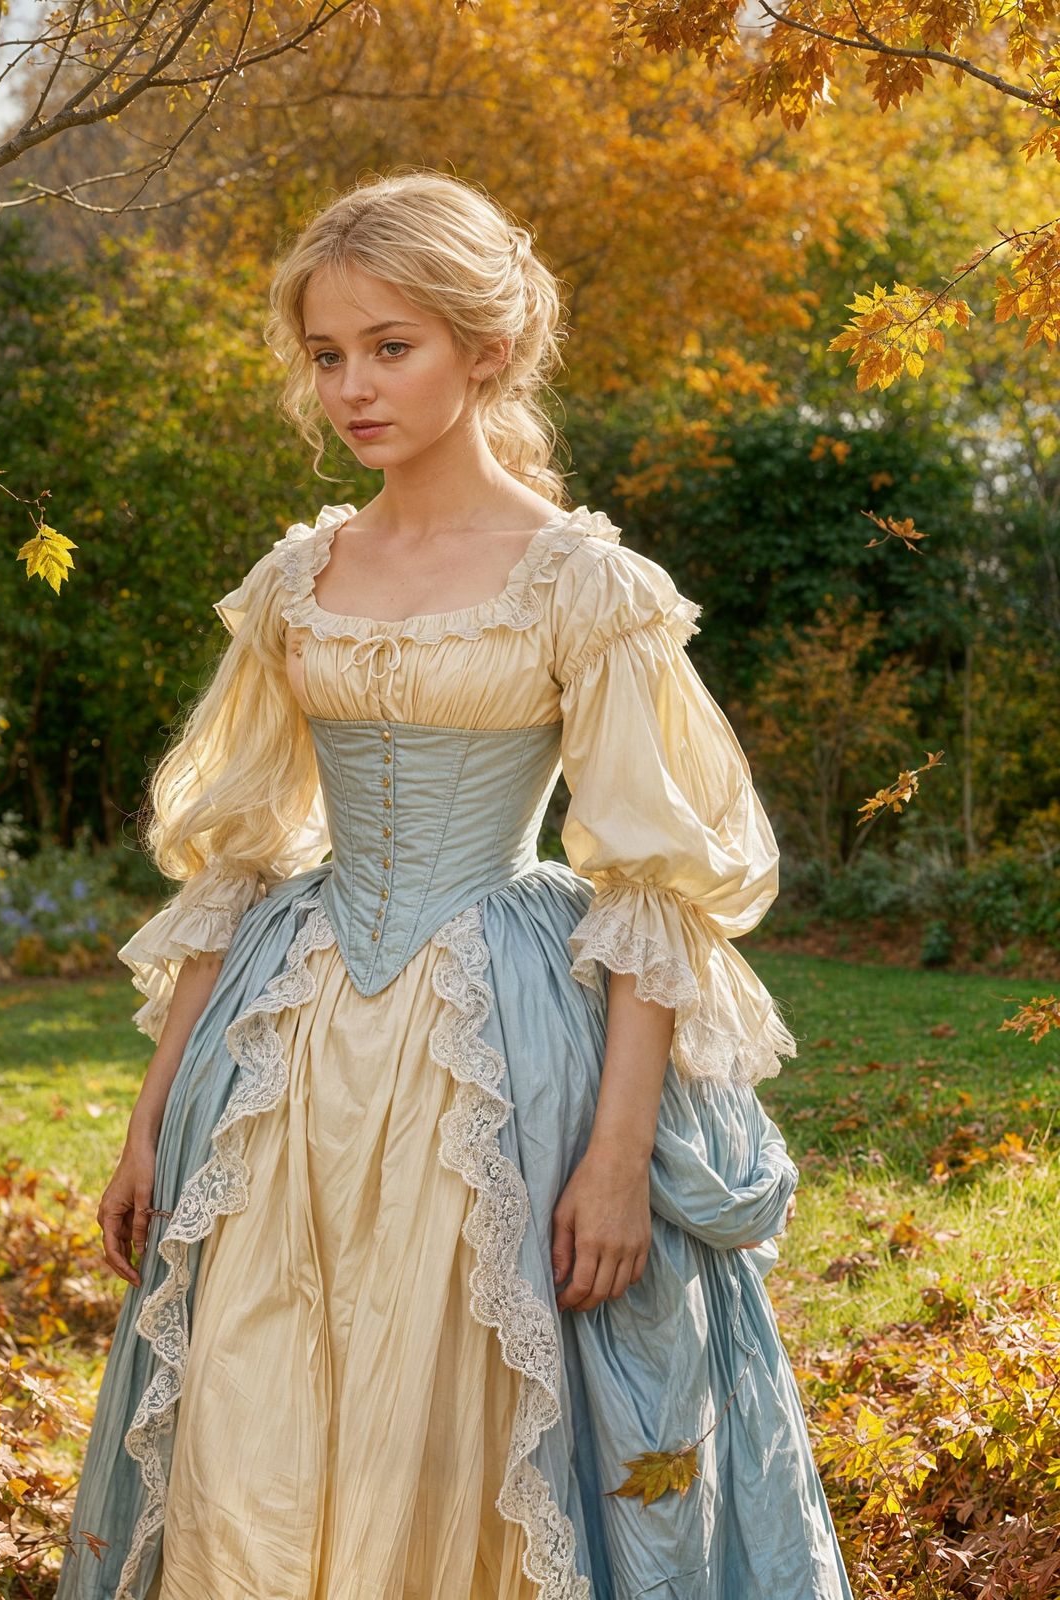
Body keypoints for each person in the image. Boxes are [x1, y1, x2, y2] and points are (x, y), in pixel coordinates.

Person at [54, 169, 853, 1600]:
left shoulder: (580, 586)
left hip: (505, 1052)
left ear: (487, 350)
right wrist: (150, 1115)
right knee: (250, 1411)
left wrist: (615, 1162)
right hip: (290, 1050)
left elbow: (653, 888)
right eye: (326, 355)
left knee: (468, 1424)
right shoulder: (298, 579)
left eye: (390, 346)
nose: (351, 386)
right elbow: (239, 855)